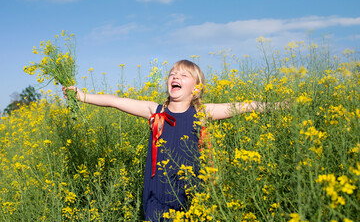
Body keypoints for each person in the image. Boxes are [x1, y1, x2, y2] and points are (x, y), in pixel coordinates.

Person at [63, 59, 288, 221]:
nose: (175, 77)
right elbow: (115, 101)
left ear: (196, 88)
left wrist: (278, 106)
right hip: (157, 190)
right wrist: (81, 96)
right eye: (172, 74)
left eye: (183, 75)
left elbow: (243, 106)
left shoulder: (203, 112)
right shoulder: (155, 110)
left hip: (191, 190)